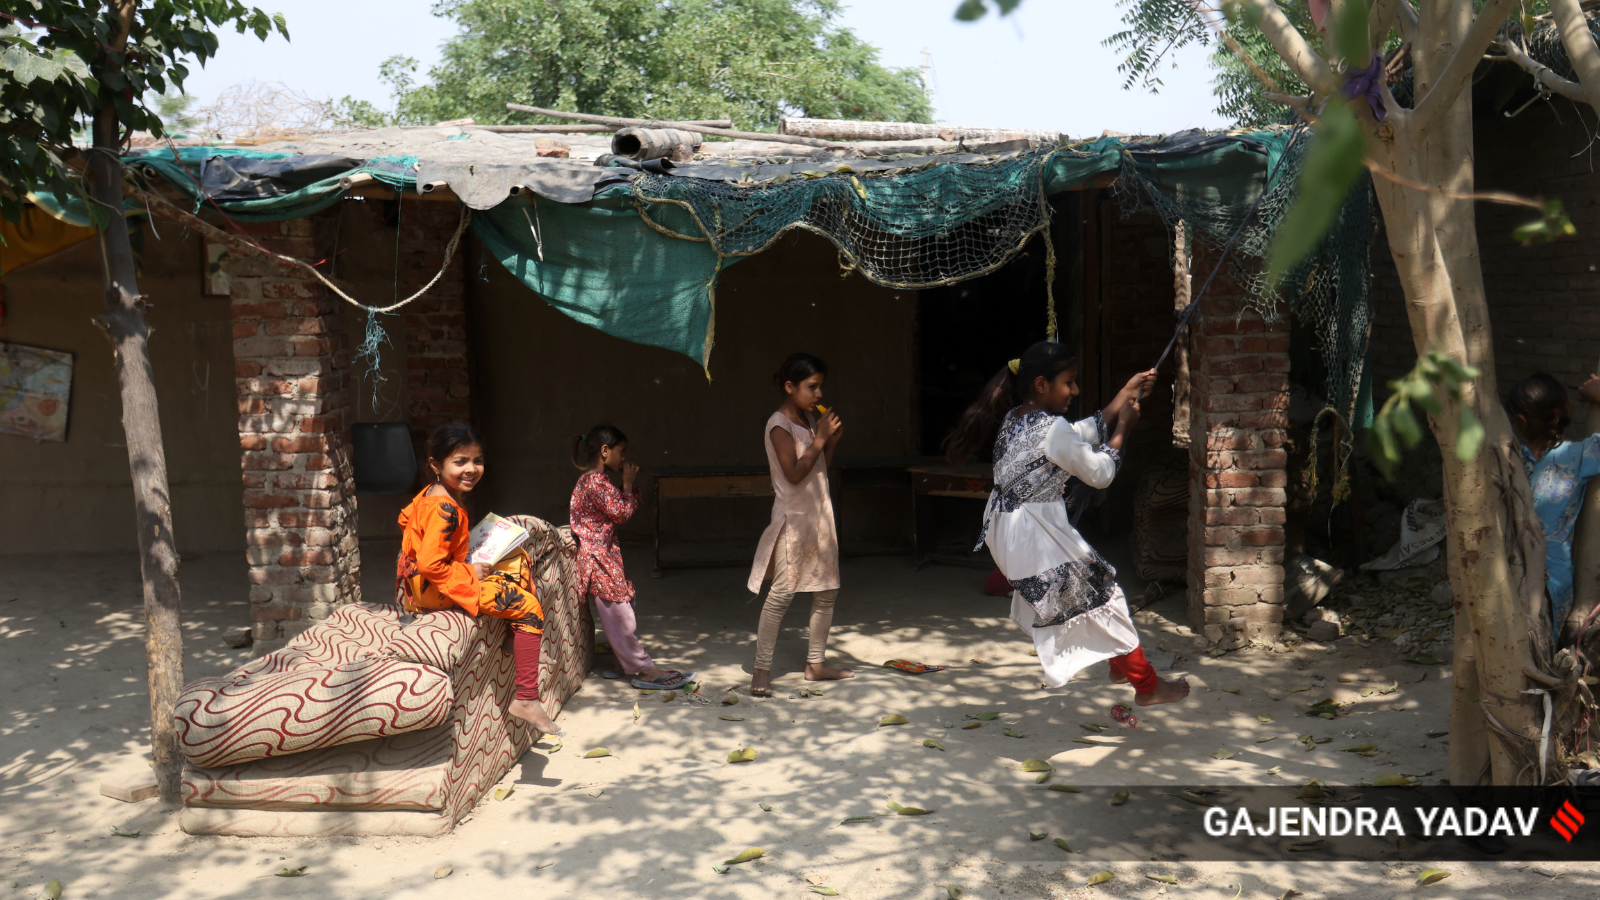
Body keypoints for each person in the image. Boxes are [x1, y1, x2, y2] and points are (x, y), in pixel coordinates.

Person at [946, 341, 1190, 706]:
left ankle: (1122, 667)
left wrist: (1125, 393)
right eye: (1069, 382)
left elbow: (1076, 434)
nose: (1074, 391)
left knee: (1093, 599)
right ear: (1041, 384)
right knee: (1105, 599)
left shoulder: (1017, 417)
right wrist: (1124, 427)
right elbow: (1101, 473)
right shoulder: (1052, 429)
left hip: (1008, 531)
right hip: (1032, 535)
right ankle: (1148, 687)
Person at [397, 423, 561, 735]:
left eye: (478, 460)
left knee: (517, 560)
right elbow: (432, 565)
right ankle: (526, 698)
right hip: (430, 588)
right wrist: (469, 572)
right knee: (528, 608)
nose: (471, 469)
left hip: (422, 581)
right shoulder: (444, 508)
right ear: (435, 464)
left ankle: (519, 641)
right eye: (460, 462)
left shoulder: (436, 494)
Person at [748, 352, 850, 697]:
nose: (818, 394)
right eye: (812, 387)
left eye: (821, 387)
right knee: (781, 595)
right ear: (790, 386)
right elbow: (792, 475)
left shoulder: (809, 419)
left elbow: (817, 467)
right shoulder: (779, 425)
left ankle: (815, 664)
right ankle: (761, 670)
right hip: (793, 521)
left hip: (819, 517)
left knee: (826, 592)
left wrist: (828, 442)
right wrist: (820, 438)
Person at [570, 425, 694, 691]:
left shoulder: (596, 481)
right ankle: (644, 669)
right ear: (605, 451)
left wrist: (625, 487)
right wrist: (628, 484)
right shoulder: (594, 482)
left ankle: (619, 661)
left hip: (606, 556)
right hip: (598, 559)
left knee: (626, 597)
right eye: (621, 452)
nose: (624, 458)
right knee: (620, 612)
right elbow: (622, 513)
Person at [1506, 372, 1600, 644]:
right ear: (1566, 411)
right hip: (1554, 577)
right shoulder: (1579, 456)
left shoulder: (1508, 460)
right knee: (1543, 643)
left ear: (1519, 420)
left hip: (1512, 570)